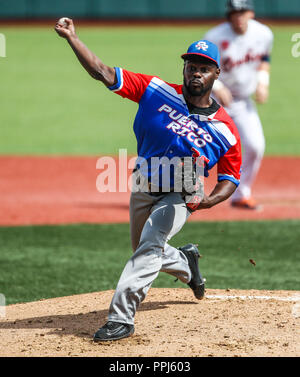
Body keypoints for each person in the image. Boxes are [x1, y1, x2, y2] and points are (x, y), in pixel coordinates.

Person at [55, 19, 242, 341]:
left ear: (216, 74)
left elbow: (230, 176)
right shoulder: (155, 90)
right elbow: (102, 72)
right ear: (184, 69)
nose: (195, 72)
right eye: (191, 66)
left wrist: (208, 200)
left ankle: (121, 318)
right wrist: (73, 38)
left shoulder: (225, 127)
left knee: (147, 250)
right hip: (144, 183)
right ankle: (185, 261)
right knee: (145, 246)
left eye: (204, 68)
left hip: (181, 193)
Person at [204, 0, 273, 210]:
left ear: (251, 13)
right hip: (212, 103)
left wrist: (263, 83)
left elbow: (264, 58)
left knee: (255, 146)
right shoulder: (214, 37)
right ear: (229, 15)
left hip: (243, 102)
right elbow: (200, 67)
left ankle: (241, 195)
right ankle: (173, 193)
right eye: (235, 13)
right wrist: (217, 85)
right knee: (196, 149)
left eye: (242, 12)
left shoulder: (263, 34)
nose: (239, 17)